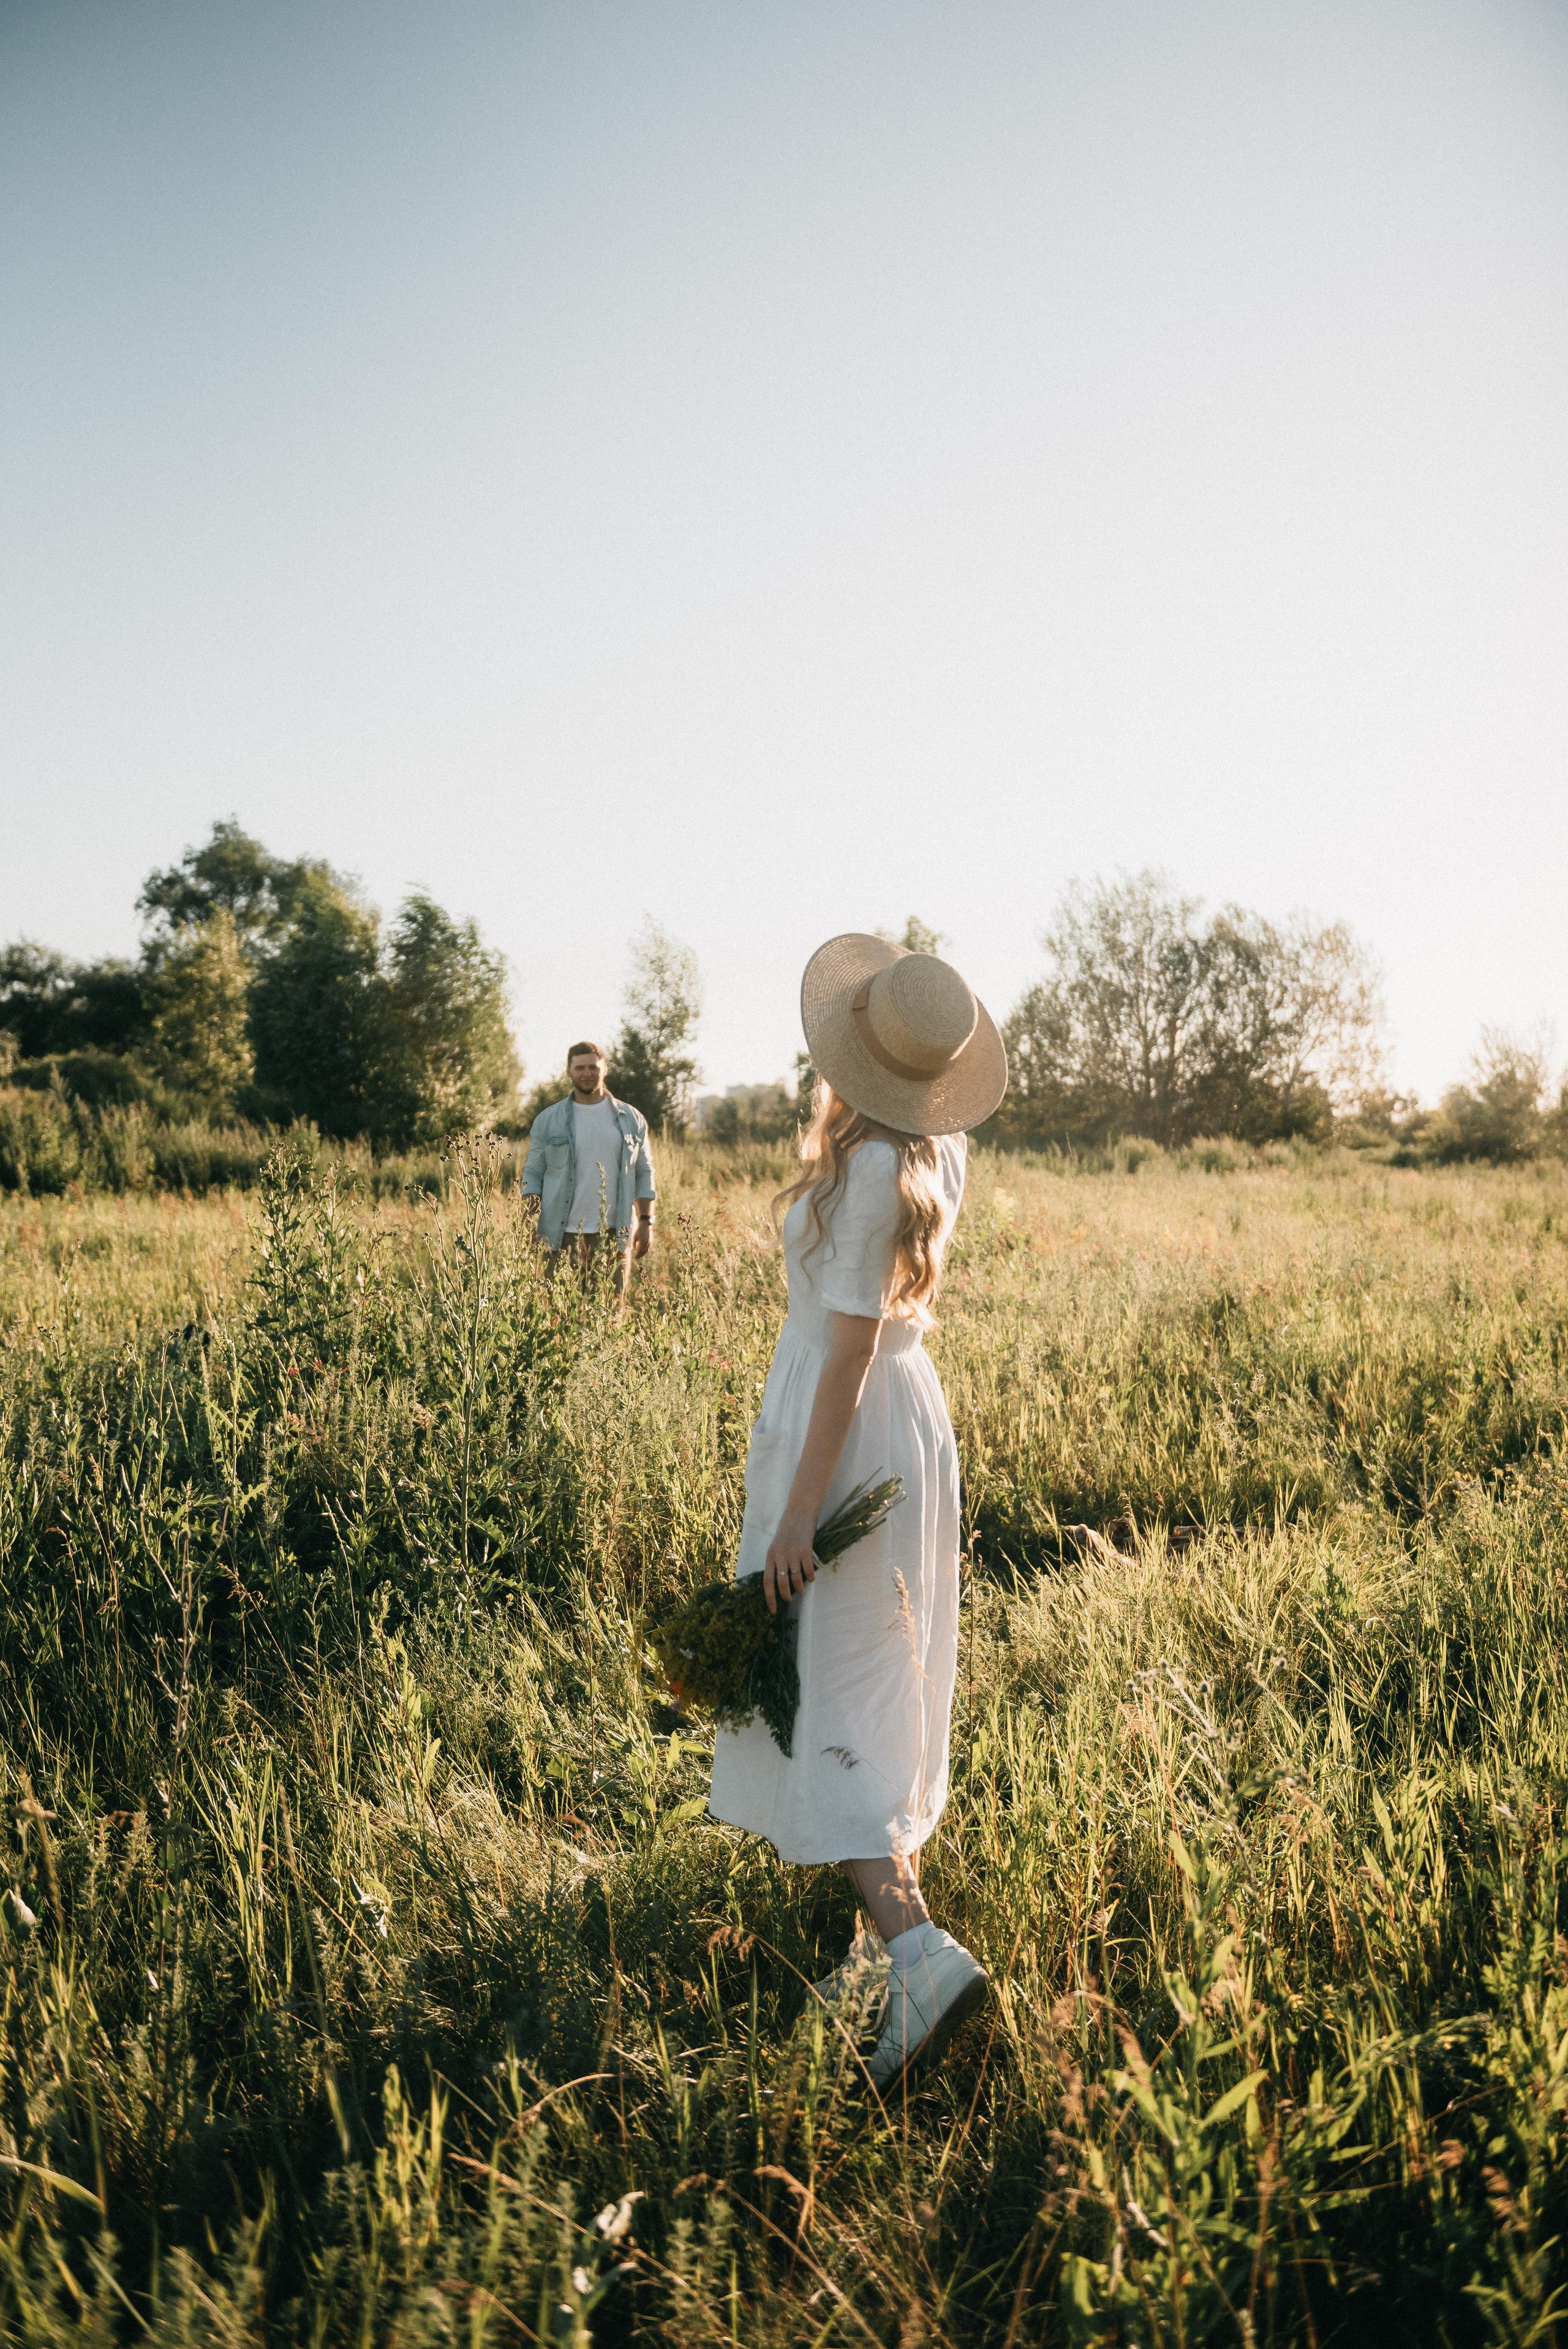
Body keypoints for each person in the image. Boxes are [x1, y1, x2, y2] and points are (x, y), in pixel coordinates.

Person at [707, 933, 1008, 2094]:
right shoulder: (938, 1147)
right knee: (881, 1677)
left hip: (848, 1427)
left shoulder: (875, 1166)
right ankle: (880, 1957)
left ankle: (918, 1951)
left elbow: (844, 1356)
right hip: (905, 1420)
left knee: (830, 1676)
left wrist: (796, 1518)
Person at [521, 1041, 656, 1295]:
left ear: (605, 1069)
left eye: (593, 1067)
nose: (587, 1074)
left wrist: (646, 1222)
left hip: (614, 1234)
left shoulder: (631, 1118)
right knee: (558, 1314)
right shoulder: (548, 1120)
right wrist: (526, 1223)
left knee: (611, 1312)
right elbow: (534, 1174)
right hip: (559, 1236)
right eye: (579, 1068)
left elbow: (643, 1172)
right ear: (569, 1072)